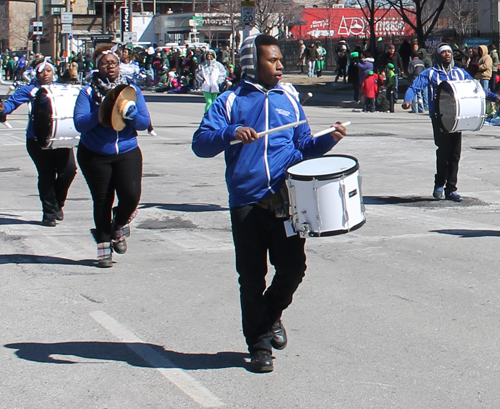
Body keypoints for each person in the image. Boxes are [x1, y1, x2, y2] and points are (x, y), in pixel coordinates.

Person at [192, 33, 347, 373]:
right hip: (246, 203)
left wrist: (328, 140)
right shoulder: (230, 101)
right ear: (252, 63)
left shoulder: (289, 99)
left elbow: (303, 146)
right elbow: (200, 144)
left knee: (293, 269)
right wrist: (229, 132)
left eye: (280, 60)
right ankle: (259, 346)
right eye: (272, 60)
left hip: (286, 201)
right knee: (251, 277)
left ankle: (271, 314)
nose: (280, 66)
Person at [74, 44, 151, 268]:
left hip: (126, 150)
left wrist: (133, 116)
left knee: (131, 195)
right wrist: (102, 111)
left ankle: (117, 225)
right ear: (97, 66)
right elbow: (80, 124)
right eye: (106, 63)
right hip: (95, 154)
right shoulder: (87, 92)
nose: (111, 67)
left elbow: (145, 123)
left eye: (114, 63)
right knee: (102, 200)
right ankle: (104, 248)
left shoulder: (132, 91)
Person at [402, 43, 500, 202]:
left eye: (449, 52)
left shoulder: (460, 73)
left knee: (455, 154)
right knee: (443, 152)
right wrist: (407, 101)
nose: (447, 54)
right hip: (439, 117)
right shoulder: (431, 73)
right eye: (443, 52)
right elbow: (414, 88)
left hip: (456, 117)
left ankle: (451, 189)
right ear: (437, 55)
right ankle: (439, 185)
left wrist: (494, 97)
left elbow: (476, 88)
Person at [0, 57, 77, 226]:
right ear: (36, 73)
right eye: (41, 71)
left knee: (69, 171)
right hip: (37, 140)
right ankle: (49, 213)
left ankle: (58, 203)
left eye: (48, 70)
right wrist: (2, 108)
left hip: (61, 138)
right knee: (47, 174)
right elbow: (11, 104)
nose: (45, 74)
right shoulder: (30, 90)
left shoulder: (61, 88)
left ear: (53, 72)